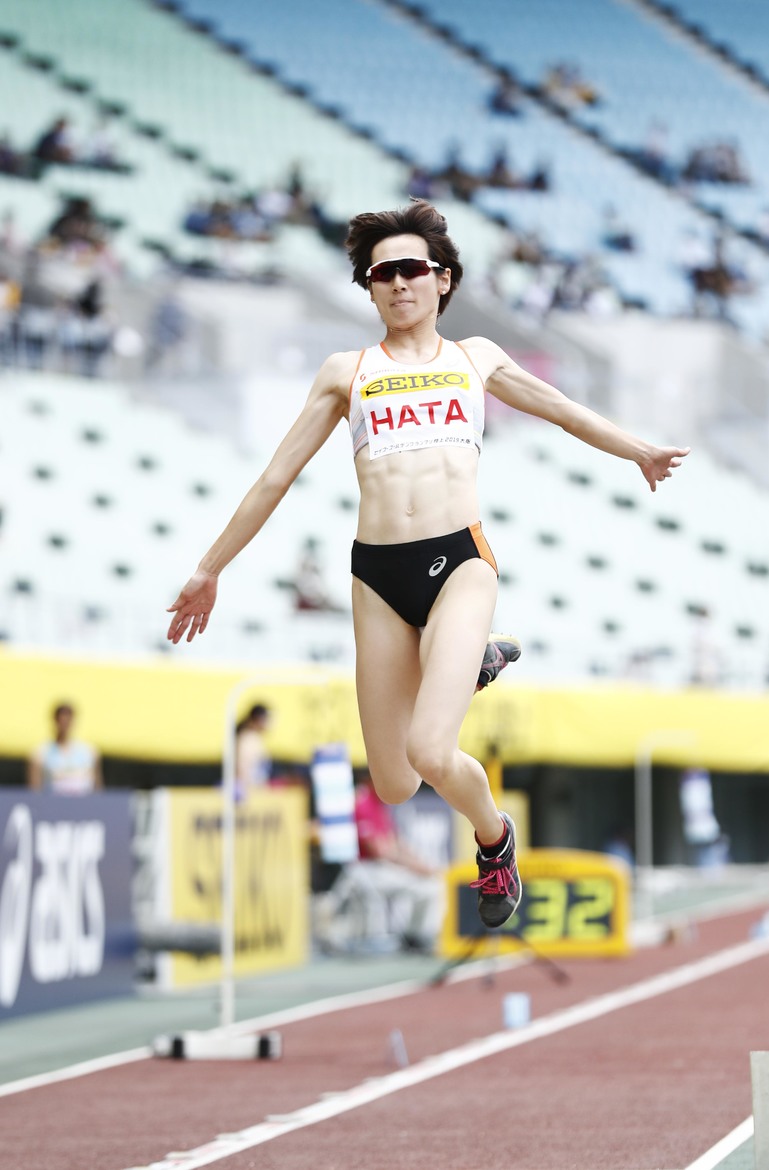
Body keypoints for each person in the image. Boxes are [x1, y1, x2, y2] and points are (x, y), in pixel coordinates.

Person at [166, 199, 689, 930]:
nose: (398, 283)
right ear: (369, 287)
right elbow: (275, 478)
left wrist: (638, 449)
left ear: (443, 280)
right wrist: (209, 567)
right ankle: (470, 664)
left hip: (459, 563)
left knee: (432, 749)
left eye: (413, 269)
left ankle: (494, 838)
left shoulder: (475, 358)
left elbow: (563, 410)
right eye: (382, 274)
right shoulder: (347, 371)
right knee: (394, 781)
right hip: (378, 575)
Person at [325, 772, 444, 952]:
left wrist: (421, 864)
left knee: (431, 886)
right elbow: (379, 851)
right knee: (428, 886)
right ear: (369, 778)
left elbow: (395, 843)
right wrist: (415, 867)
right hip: (366, 869)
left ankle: (415, 937)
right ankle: (413, 937)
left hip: (381, 868)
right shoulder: (362, 803)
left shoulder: (380, 802)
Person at [28, 702, 102, 794]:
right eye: (61, 720)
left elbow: (98, 788)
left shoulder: (89, 751)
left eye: (68, 720)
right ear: (55, 721)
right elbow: (35, 790)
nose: (64, 724)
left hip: (83, 805)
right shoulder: (41, 753)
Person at [234, 703, 271, 800]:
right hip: (248, 790)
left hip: (255, 789)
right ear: (258, 720)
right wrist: (248, 789)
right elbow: (241, 767)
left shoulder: (255, 738)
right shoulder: (248, 739)